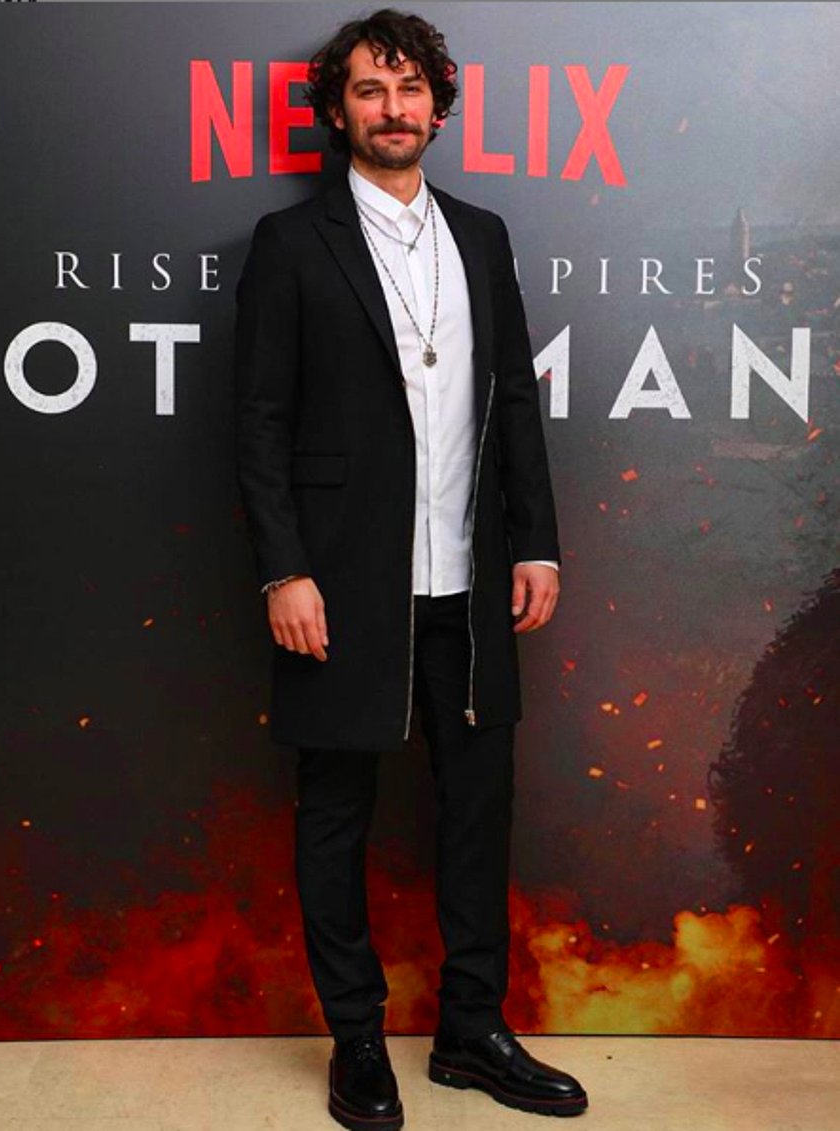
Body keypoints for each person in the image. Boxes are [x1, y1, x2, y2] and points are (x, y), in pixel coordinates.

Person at [234, 8, 588, 1128]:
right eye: (370, 90)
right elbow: (259, 422)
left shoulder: (482, 234)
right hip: (342, 586)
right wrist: (284, 571)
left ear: (438, 105)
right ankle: (357, 1039)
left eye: (410, 89)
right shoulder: (291, 243)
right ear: (338, 112)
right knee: (336, 810)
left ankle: (472, 1033)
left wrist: (536, 540)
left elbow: (514, 399)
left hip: (471, 583)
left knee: (479, 809)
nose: (393, 109)